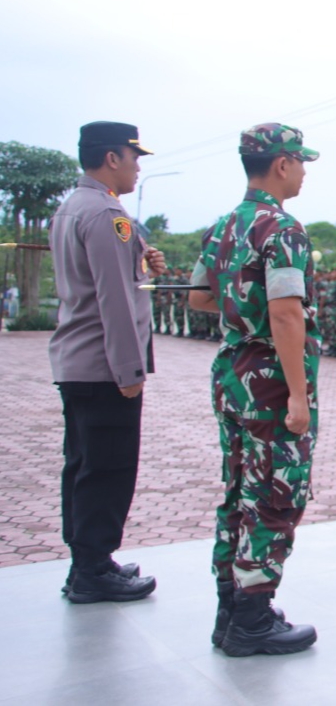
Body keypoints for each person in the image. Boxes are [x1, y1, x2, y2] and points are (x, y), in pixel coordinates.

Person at [188, 122, 319, 657]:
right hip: (269, 384)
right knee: (275, 495)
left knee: (239, 491)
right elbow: (287, 315)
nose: (304, 171)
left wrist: (240, 307)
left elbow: (199, 297)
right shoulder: (283, 229)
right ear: (282, 164)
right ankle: (253, 619)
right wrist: (298, 396)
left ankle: (231, 609)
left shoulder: (221, 227)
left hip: (231, 375)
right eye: (301, 161)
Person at [49, 120, 163, 603]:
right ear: (112, 158)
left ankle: (86, 562)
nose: (137, 167)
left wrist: (143, 262)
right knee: (108, 469)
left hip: (78, 362)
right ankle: (93, 570)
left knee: (83, 465)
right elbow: (114, 300)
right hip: (103, 366)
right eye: (134, 157)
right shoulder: (106, 213)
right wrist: (130, 371)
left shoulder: (73, 206)